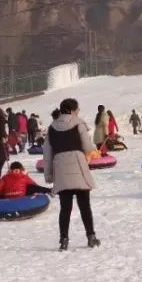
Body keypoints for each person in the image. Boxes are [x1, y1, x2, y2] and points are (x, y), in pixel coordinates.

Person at [43, 97, 99, 251]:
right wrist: (94, 152)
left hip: (60, 168)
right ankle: (91, 237)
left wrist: (48, 175)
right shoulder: (78, 123)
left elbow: (47, 153)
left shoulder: (52, 127)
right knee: (85, 206)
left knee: (65, 208)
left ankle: (64, 240)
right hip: (78, 165)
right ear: (73, 110)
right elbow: (87, 146)